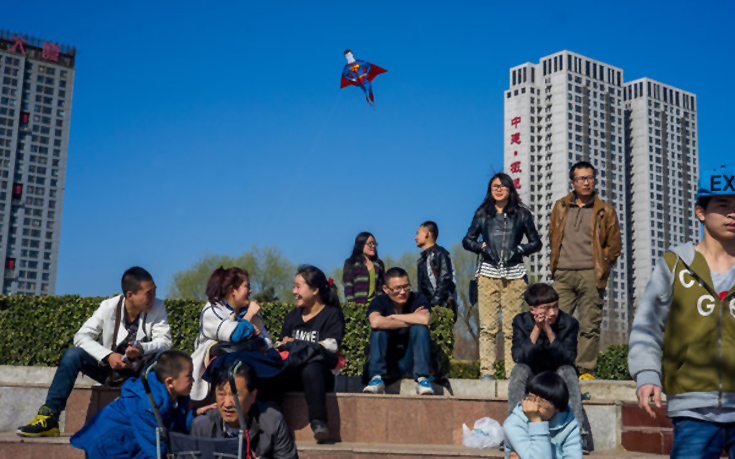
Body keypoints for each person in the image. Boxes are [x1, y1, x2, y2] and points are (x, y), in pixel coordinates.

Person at [628, 165, 735, 457]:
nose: (732, 214)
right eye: (723, 205)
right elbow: (648, 326)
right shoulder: (674, 265)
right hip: (692, 410)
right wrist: (647, 374)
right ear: (701, 212)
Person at [17, 267, 172, 437]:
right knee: (72, 354)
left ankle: (156, 419)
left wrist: (142, 348)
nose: (153, 296)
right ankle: (49, 417)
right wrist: (108, 356)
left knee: (163, 358)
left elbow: (165, 342)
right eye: (149, 293)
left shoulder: (157, 306)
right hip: (109, 370)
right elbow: (81, 336)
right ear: (130, 295)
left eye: (155, 290)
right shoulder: (108, 307)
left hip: (139, 374)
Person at [463, 172, 542, 379]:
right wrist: (481, 247)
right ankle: (486, 371)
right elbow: (467, 239)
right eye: (494, 186)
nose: (498, 189)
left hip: (515, 276)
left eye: (503, 186)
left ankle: (512, 372)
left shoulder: (522, 214)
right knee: (487, 327)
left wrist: (521, 250)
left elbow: (536, 242)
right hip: (488, 274)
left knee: (512, 328)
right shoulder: (482, 213)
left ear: (510, 189)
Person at [549, 161, 622, 379]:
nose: (586, 182)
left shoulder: (605, 211)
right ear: (572, 182)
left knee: (590, 324)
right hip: (563, 273)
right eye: (581, 178)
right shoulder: (560, 206)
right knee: (556, 322)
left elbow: (615, 246)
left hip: (592, 274)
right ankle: (557, 367)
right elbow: (553, 235)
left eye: (590, 177)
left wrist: (604, 266)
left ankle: (585, 370)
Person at [70, 350, 211, 459]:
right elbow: (153, 447)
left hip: (130, 445)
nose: (193, 380)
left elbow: (172, 427)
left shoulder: (176, 398)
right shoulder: (148, 404)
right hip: (107, 447)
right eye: (189, 376)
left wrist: (194, 414)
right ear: (170, 382)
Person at [508, 283, 593, 453]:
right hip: (533, 376)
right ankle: (512, 433)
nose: (553, 312)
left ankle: (578, 434)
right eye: (546, 308)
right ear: (533, 310)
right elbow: (519, 357)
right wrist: (536, 329)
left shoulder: (569, 323)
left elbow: (568, 358)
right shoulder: (520, 321)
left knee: (568, 371)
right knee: (519, 370)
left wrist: (547, 330)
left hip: (557, 376)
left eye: (555, 306)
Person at [276, 265, 345, 443]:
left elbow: (331, 345)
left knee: (312, 366)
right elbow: (280, 344)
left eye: (298, 286)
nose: (294, 291)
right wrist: (304, 346)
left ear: (315, 290)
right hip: (293, 372)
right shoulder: (292, 316)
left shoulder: (332, 315)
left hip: (321, 377)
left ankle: (319, 423)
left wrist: (296, 344)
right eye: (294, 286)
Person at [191, 266, 272, 401]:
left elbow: (268, 342)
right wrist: (249, 316)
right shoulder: (212, 309)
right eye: (247, 286)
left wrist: (256, 336)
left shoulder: (248, 311)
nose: (250, 291)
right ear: (233, 289)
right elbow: (233, 335)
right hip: (215, 377)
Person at [190, 362, 298, 459]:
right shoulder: (202, 426)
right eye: (221, 395)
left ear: (252, 396)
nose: (227, 404)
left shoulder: (273, 422)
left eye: (235, 395)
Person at [363, 267, 435, 396]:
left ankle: (422, 379)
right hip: (387, 361)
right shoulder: (379, 302)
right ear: (386, 289)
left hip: (411, 360)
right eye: (397, 288)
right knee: (379, 330)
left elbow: (424, 319)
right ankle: (376, 379)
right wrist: (411, 318)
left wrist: (394, 317)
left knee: (419, 328)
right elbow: (375, 322)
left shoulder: (417, 298)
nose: (402, 292)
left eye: (406, 287)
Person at [503, 371, 583, 459]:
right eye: (531, 397)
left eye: (542, 401)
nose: (535, 404)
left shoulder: (569, 423)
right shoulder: (514, 424)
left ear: (557, 407)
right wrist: (536, 421)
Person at [416, 221, 458, 320]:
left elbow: (445, 279)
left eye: (418, 233)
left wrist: (434, 305)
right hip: (427, 312)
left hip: (441, 310)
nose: (415, 237)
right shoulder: (422, 260)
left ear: (427, 234)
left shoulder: (440, 253)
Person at [343, 232, 385, 304]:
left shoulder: (378, 264)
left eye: (374, 243)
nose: (373, 246)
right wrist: (352, 307)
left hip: (376, 307)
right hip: (358, 309)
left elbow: (382, 288)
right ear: (361, 245)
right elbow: (348, 287)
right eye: (370, 243)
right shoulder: (351, 263)